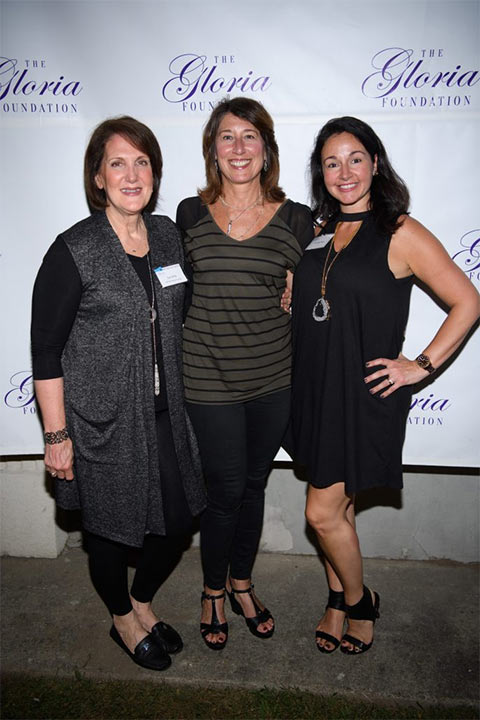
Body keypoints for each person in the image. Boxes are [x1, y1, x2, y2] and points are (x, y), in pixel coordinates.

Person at [291, 116, 480, 655]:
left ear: (375, 163)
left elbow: (468, 301)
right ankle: (334, 596)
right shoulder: (321, 230)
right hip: (316, 389)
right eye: (331, 162)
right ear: (320, 173)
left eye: (355, 158)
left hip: (363, 394)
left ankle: (360, 601)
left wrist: (421, 364)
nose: (344, 171)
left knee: (320, 512)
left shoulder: (400, 230)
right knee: (339, 508)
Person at [31, 116, 206, 671]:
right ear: (98, 178)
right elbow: (46, 352)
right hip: (99, 421)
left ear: (154, 172)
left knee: (177, 521)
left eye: (142, 162)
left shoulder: (168, 236)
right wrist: (57, 437)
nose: (132, 174)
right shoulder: (74, 250)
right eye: (117, 163)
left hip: (166, 413)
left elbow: (182, 310)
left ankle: (141, 601)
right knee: (108, 531)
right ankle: (122, 621)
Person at [176, 97, 313, 650]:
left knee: (254, 485)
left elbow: (329, 284)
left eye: (249, 136)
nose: (238, 147)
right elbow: (166, 284)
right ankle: (212, 590)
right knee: (225, 488)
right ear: (213, 148)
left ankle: (241, 582)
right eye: (227, 136)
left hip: (273, 381)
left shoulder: (299, 218)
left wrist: (297, 294)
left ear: (267, 149)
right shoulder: (188, 212)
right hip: (207, 380)